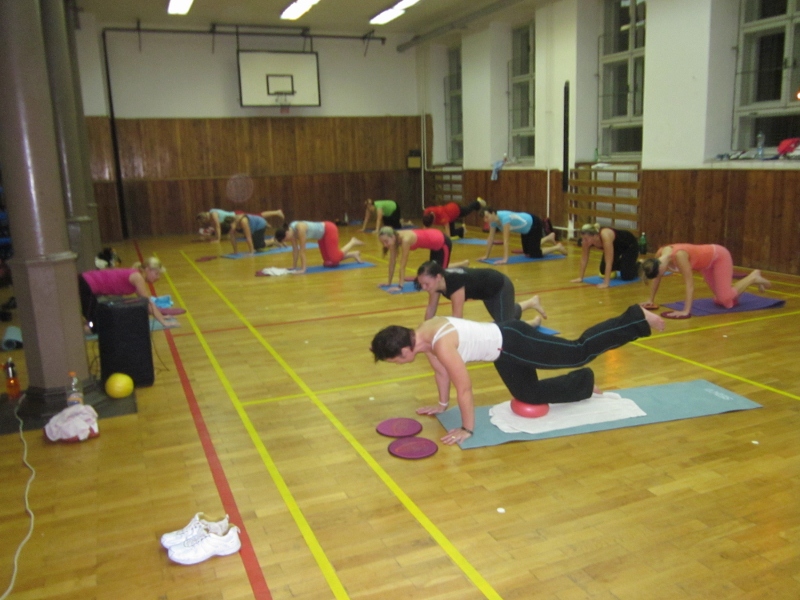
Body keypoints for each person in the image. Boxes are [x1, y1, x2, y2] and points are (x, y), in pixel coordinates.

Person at [370, 304, 665, 445]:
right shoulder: (423, 333)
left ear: (405, 351)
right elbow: (441, 373)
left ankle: (635, 318)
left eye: (393, 361)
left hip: (515, 342)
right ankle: (584, 384)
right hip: (503, 351)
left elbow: (465, 388)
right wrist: (441, 405)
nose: (396, 365)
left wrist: (467, 429)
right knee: (527, 394)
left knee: (579, 352)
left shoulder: (441, 344)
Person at [640, 243, 772, 318]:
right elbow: (656, 278)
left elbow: (690, 284)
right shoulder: (659, 256)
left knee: (725, 298)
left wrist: (686, 310)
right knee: (723, 302)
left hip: (719, 257)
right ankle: (748, 280)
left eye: (660, 273)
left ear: (660, 267)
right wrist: (651, 299)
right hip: (706, 266)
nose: (660, 276)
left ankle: (753, 277)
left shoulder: (679, 256)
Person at [414, 260, 547, 323]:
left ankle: (531, 324)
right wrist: (425, 332)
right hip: (487, 293)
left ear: (438, 277)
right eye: (422, 284)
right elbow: (431, 309)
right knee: (502, 318)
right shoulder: (436, 285)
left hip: (500, 287)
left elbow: (457, 319)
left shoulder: (454, 283)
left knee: (505, 329)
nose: (424, 288)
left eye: (426, 284)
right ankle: (532, 302)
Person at [79, 257, 177, 331]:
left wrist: (161, 316)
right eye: (156, 274)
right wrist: (163, 322)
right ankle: (79, 332)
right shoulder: (137, 277)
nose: (158, 277)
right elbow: (148, 302)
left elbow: (145, 303)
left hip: (87, 285)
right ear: (147, 270)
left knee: (99, 322)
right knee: (96, 326)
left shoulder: (137, 275)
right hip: (86, 285)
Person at [378, 227, 468, 289]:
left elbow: (403, 265)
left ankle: (463, 268)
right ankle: (463, 264)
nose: (385, 245)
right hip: (434, 244)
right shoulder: (395, 239)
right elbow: (392, 262)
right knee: (434, 271)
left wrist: (400, 286)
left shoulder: (405, 240)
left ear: (393, 236)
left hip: (443, 243)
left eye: (386, 241)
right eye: (383, 243)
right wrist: (389, 282)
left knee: (441, 275)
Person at [275, 220, 364, 274]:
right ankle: (353, 254)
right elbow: (295, 250)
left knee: (334, 259)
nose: (287, 241)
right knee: (329, 263)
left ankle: (352, 242)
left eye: (285, 239)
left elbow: (302, 251)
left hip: (329, 230)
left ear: (287, 233)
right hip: (321, 237)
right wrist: (294, 266)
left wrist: (303, 269)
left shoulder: (300, 228)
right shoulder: (291, 231)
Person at [482, 207, 566, 264]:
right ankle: (549, 237)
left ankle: (557, 247)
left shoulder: (505, 218)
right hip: (525, 230)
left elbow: (506, 240)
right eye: (484, 218)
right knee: (527, 253)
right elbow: (490, 238)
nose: (486, 220)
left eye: (487, 217)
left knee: (534, 254)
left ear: (493, 213)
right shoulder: (493, 221)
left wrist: (505, 259)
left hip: (534, 224)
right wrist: (486, 256)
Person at [571, 223, 639, 288]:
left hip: (629, 245)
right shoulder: (586, 241)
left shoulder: (605, 236)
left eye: (586, 239)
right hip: (615, 248)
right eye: (582, 238)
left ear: (594, 236)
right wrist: (580, 277)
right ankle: (625, 264)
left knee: (626, 276)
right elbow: (584, 259)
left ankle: (638, 265)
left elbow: (609, 261)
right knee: (603, 270)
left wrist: (606, 283)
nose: (584, 241)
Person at [197, 209, 283, 242]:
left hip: (237, 215)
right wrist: (216, 237)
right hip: (234, 219)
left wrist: (218, 239)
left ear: (203, 218)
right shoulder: (211, 216)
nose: (203, 223)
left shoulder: (213, 214)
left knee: (258, 215)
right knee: (257, 216)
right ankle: (265, 223)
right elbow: (216, 229)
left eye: (202, 221)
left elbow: (217, 227)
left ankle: (277, 212)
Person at [422, 197, 486, 238]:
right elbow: (425, 225)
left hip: (455, 210)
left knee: (467, 210)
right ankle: (462, 230)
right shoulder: (427, 212)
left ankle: (477, 202)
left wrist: (447, 241)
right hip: (449, 216)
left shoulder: (441, 214)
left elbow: (447, 229)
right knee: (452, 233)